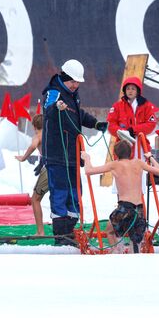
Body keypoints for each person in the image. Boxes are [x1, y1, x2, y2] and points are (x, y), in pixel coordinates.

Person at [41, 59, 108, 245]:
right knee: (60, 192)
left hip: (72, 153)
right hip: (57, 153)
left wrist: (95, 123)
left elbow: (79, 114)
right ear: (64, 78)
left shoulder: (73, 94)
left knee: (74, 192)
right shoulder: (54, 91)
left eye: (78, 82)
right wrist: (56, 107)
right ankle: (60, 235)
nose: (76, 85)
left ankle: (71, 230)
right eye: (73, 82)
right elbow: (47, 110)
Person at [82, 140, 159, 253]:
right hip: (139, 209)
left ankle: (117, 252)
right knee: (135, 241)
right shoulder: (139, 163)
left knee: (110, 231)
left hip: (124, 208)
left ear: (115, 154)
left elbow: (89, 171)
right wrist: (150, 157)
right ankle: (133, 255)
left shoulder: (115, 164)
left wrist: (87, 158)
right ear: (130, 153)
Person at [15, 114, 47, 236]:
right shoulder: (52, 134)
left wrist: (24, 157)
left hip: (49, 168)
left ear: (34, 126)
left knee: (35, 199)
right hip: (61, 168)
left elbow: (33, 145)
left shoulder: (38, 135)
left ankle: (40, 231)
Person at [107, 76, 158, 154]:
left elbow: (151, 124)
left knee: (141, 165)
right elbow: (111, 125)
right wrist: (125, 133)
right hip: (123, 147)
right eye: (128, 89)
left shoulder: (146, 106)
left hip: (141, 146)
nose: (130, 91)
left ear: (138, 91)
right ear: (124, 91)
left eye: (133, 89)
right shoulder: (117, 106)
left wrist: (134, 130)